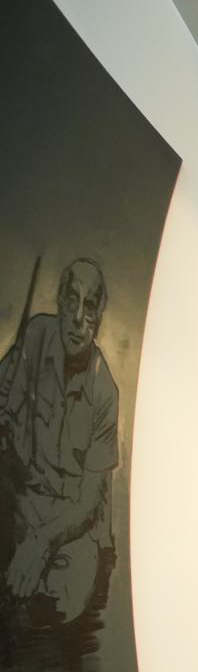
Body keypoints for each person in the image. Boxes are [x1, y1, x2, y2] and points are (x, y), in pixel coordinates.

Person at [0, 257, 120, 627]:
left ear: (99, 316)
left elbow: (87, 503)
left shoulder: (104, 392)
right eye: (72, 301)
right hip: (22, 499)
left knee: (64, 599)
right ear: (59, 303)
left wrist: (41, 542)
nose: (79, 318)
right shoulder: (36, 335)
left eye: (90, 306)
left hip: (68, 523)